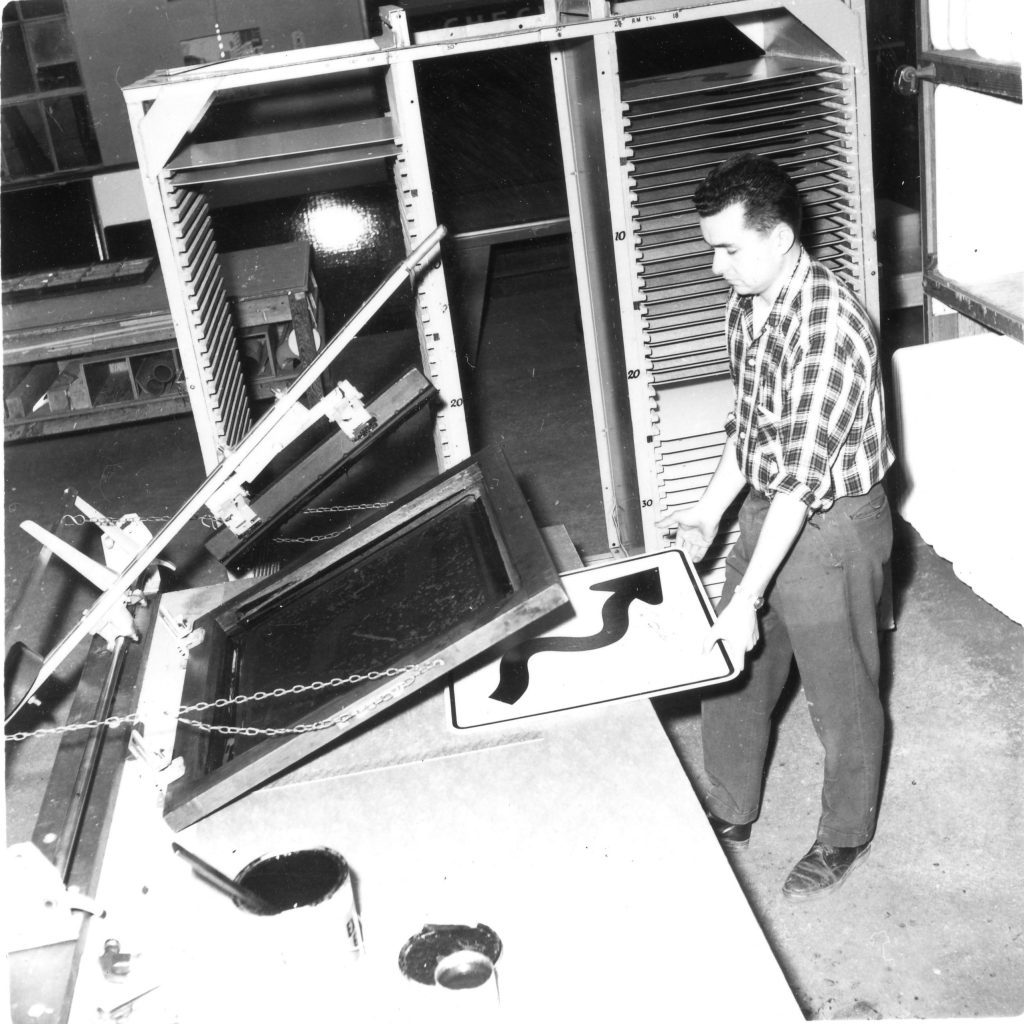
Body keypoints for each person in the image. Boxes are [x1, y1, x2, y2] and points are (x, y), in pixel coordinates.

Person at [656, 153, 894, 901]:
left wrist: (746, 593)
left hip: (834, 528)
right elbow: (749, 431)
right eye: (710, 250)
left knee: (842, 691)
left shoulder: (829, 329)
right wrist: (706, 513)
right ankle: (730, 808)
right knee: (732, 667)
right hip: (772, 506)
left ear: (782, 236)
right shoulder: (750, 301)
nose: (716, 268)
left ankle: (844, 834)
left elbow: (799, 483)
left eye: (728, 249)